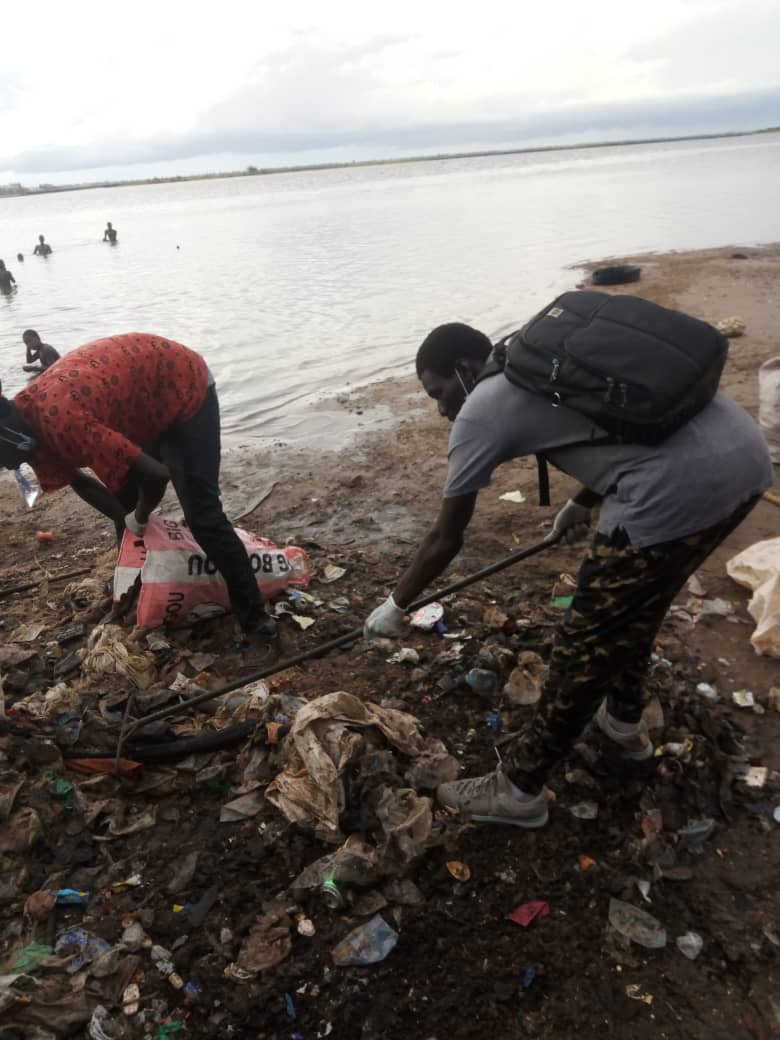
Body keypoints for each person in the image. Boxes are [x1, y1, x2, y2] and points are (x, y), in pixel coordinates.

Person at [363, 318, 774, 829]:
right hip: (745, 460)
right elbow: (625, 425)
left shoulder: (482, 410)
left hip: (677, 488)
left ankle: (519, 790)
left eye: (439, 392)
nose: (441, 409)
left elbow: (445, 539)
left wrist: (396, 604)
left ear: (466, 368)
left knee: (584, 643)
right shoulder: (537, 364)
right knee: (640, 607)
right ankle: (624, 723)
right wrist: (582, 502)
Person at [0, 333, 276, 643]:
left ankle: (256, 621)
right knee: (126, 504)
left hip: (181, 385)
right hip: (140, 403)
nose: (3, 467)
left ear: (5, 436)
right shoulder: (27, 421)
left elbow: (158, 475)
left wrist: (140, 517)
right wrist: (127, 520)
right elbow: (78, 481)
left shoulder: (62, 420)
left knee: (203, 516)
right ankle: (131, 593)